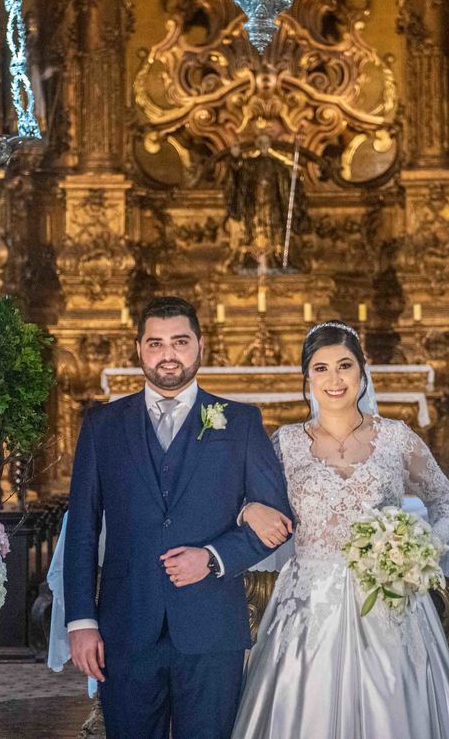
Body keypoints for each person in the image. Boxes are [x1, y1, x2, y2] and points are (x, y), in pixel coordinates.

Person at [229, 322, 449, 739]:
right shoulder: (285, 443)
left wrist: (423, 553)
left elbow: (446, 500)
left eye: (345, 365)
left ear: (363, 371)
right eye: (321, 368)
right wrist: (249, 508)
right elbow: (241, 501)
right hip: (309, 602)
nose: (334, 379)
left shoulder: (396, 438)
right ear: (307, 376)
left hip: (389, 598)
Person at [63, 296, 294, 739]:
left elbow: (278, 520)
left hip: (211, 628)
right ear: (139, 349)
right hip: (125, 627)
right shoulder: (102, 426)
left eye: (180, 341)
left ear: (200, 346)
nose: (168, 354)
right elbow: (82, 531)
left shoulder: (241, 423)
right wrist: (81, 622)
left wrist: (212, 557)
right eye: (155, 343)